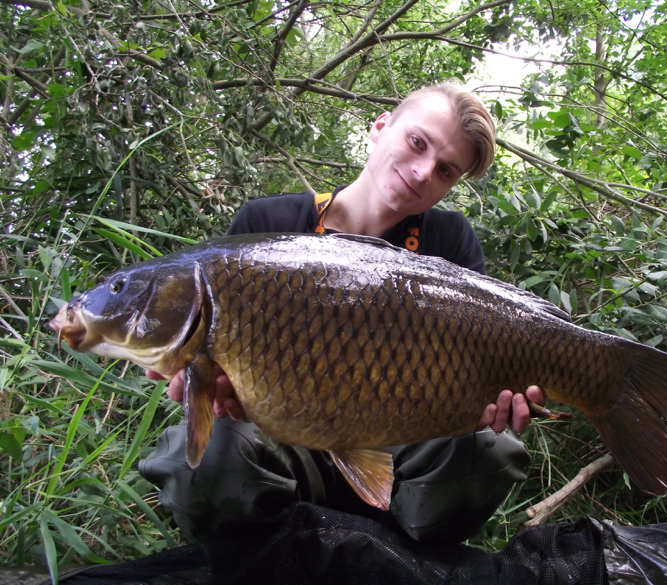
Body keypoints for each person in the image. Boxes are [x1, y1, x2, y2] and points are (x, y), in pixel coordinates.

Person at [140, 81, 545, 544]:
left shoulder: (451, 241)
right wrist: (204, 387)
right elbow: (210, 377)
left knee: (493, 449)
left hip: (404, 442)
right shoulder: (264, 226)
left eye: (446, 170)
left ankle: (394, 560)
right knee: (207, 459)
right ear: (380, 127)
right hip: (280, 442)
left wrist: (494, 402)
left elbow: (486, 366)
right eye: (418, 142)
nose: (422, 171)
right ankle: (269, 562)